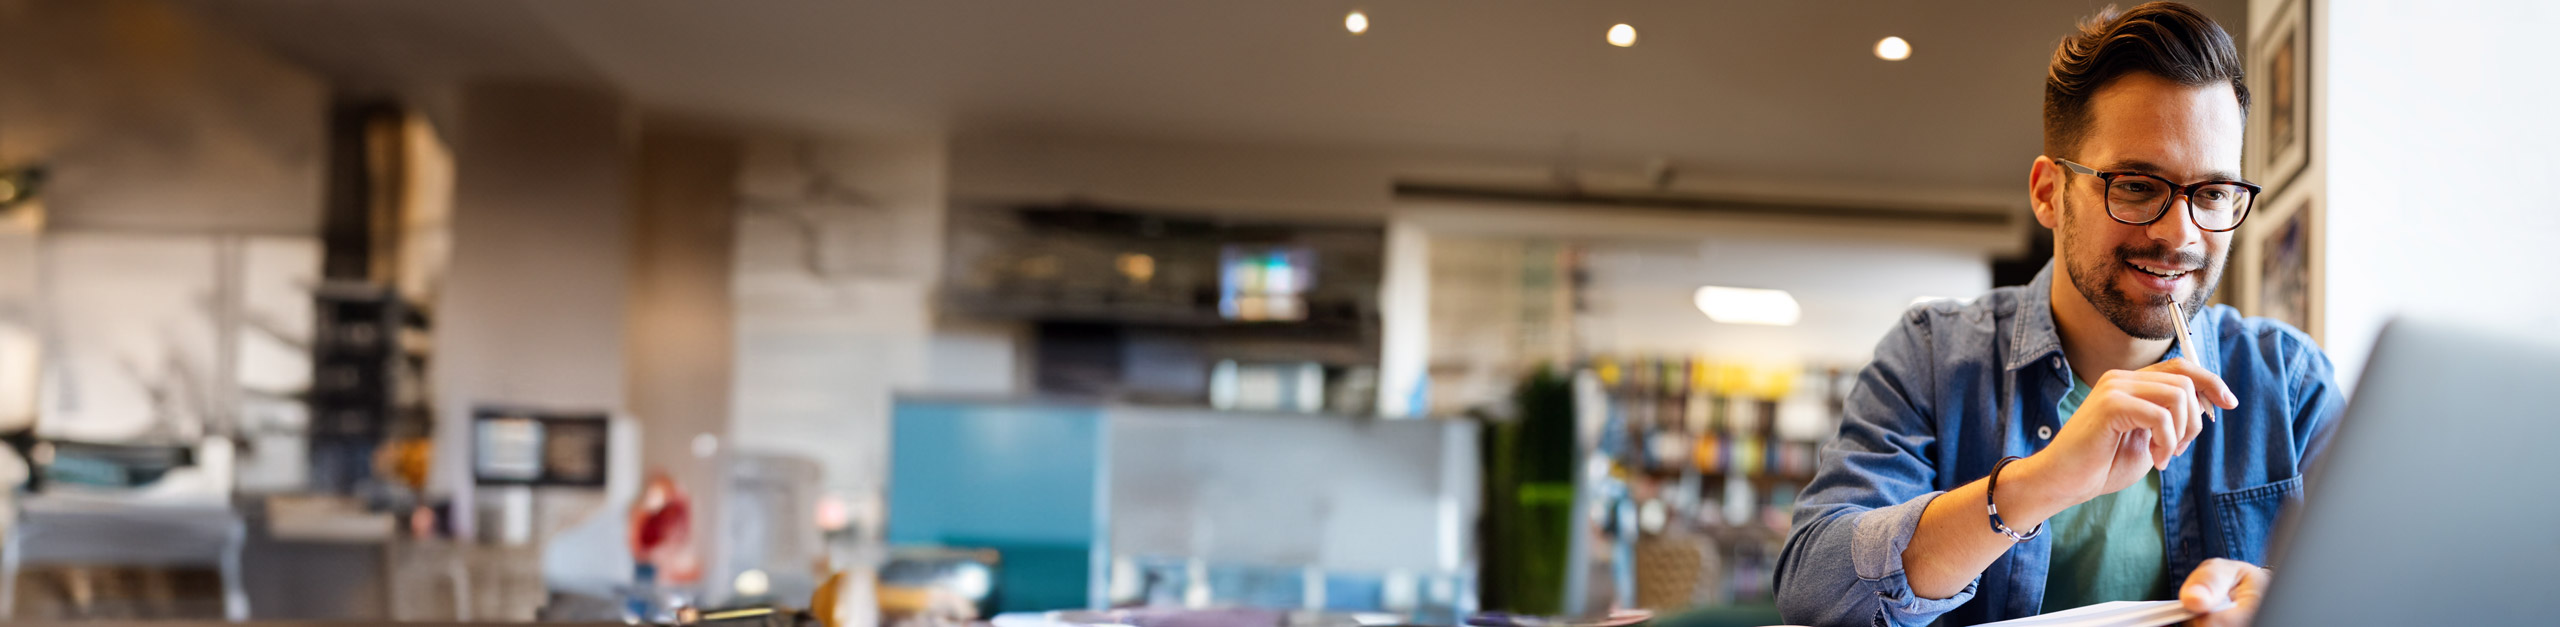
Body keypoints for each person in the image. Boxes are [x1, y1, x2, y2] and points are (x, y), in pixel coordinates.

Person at [1771, 4, 2343, 626]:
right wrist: (2035, 486)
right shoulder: (1933, 354)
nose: (2180, 234)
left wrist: (2289, 603)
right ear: (2049, 193)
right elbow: (1814, 589)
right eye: (2136, 185)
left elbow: (2390, 586)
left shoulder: (2290, 381)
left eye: (2212, 193)